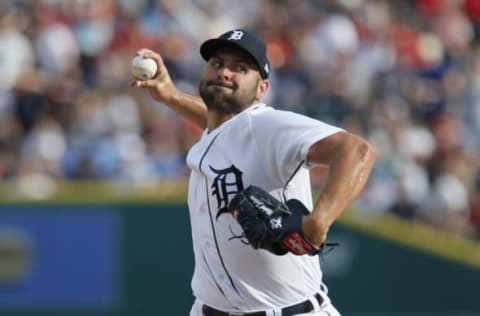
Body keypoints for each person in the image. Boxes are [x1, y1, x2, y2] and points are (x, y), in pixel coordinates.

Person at [132, 29, 376, 316]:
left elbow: (356, 150)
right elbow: (224, 127)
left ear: (262, 89)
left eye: (239, 68)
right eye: (217, 63)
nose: (224, 73)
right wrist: (171, 96)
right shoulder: (224, 132)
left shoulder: (266, 125)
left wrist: (318, 221)